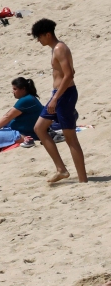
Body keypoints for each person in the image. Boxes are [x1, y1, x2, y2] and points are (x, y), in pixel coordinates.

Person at [31, 18, 86, 183]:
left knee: (70, 138)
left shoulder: (59, 48)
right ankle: (61, 169)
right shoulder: (55, 48)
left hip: (64, 95)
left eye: (39, 37)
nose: (39, 40)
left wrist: (55, 98)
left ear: (47, 34)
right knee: (39, 128)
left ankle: (83, 180)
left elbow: (70, 74)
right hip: (59, 94)